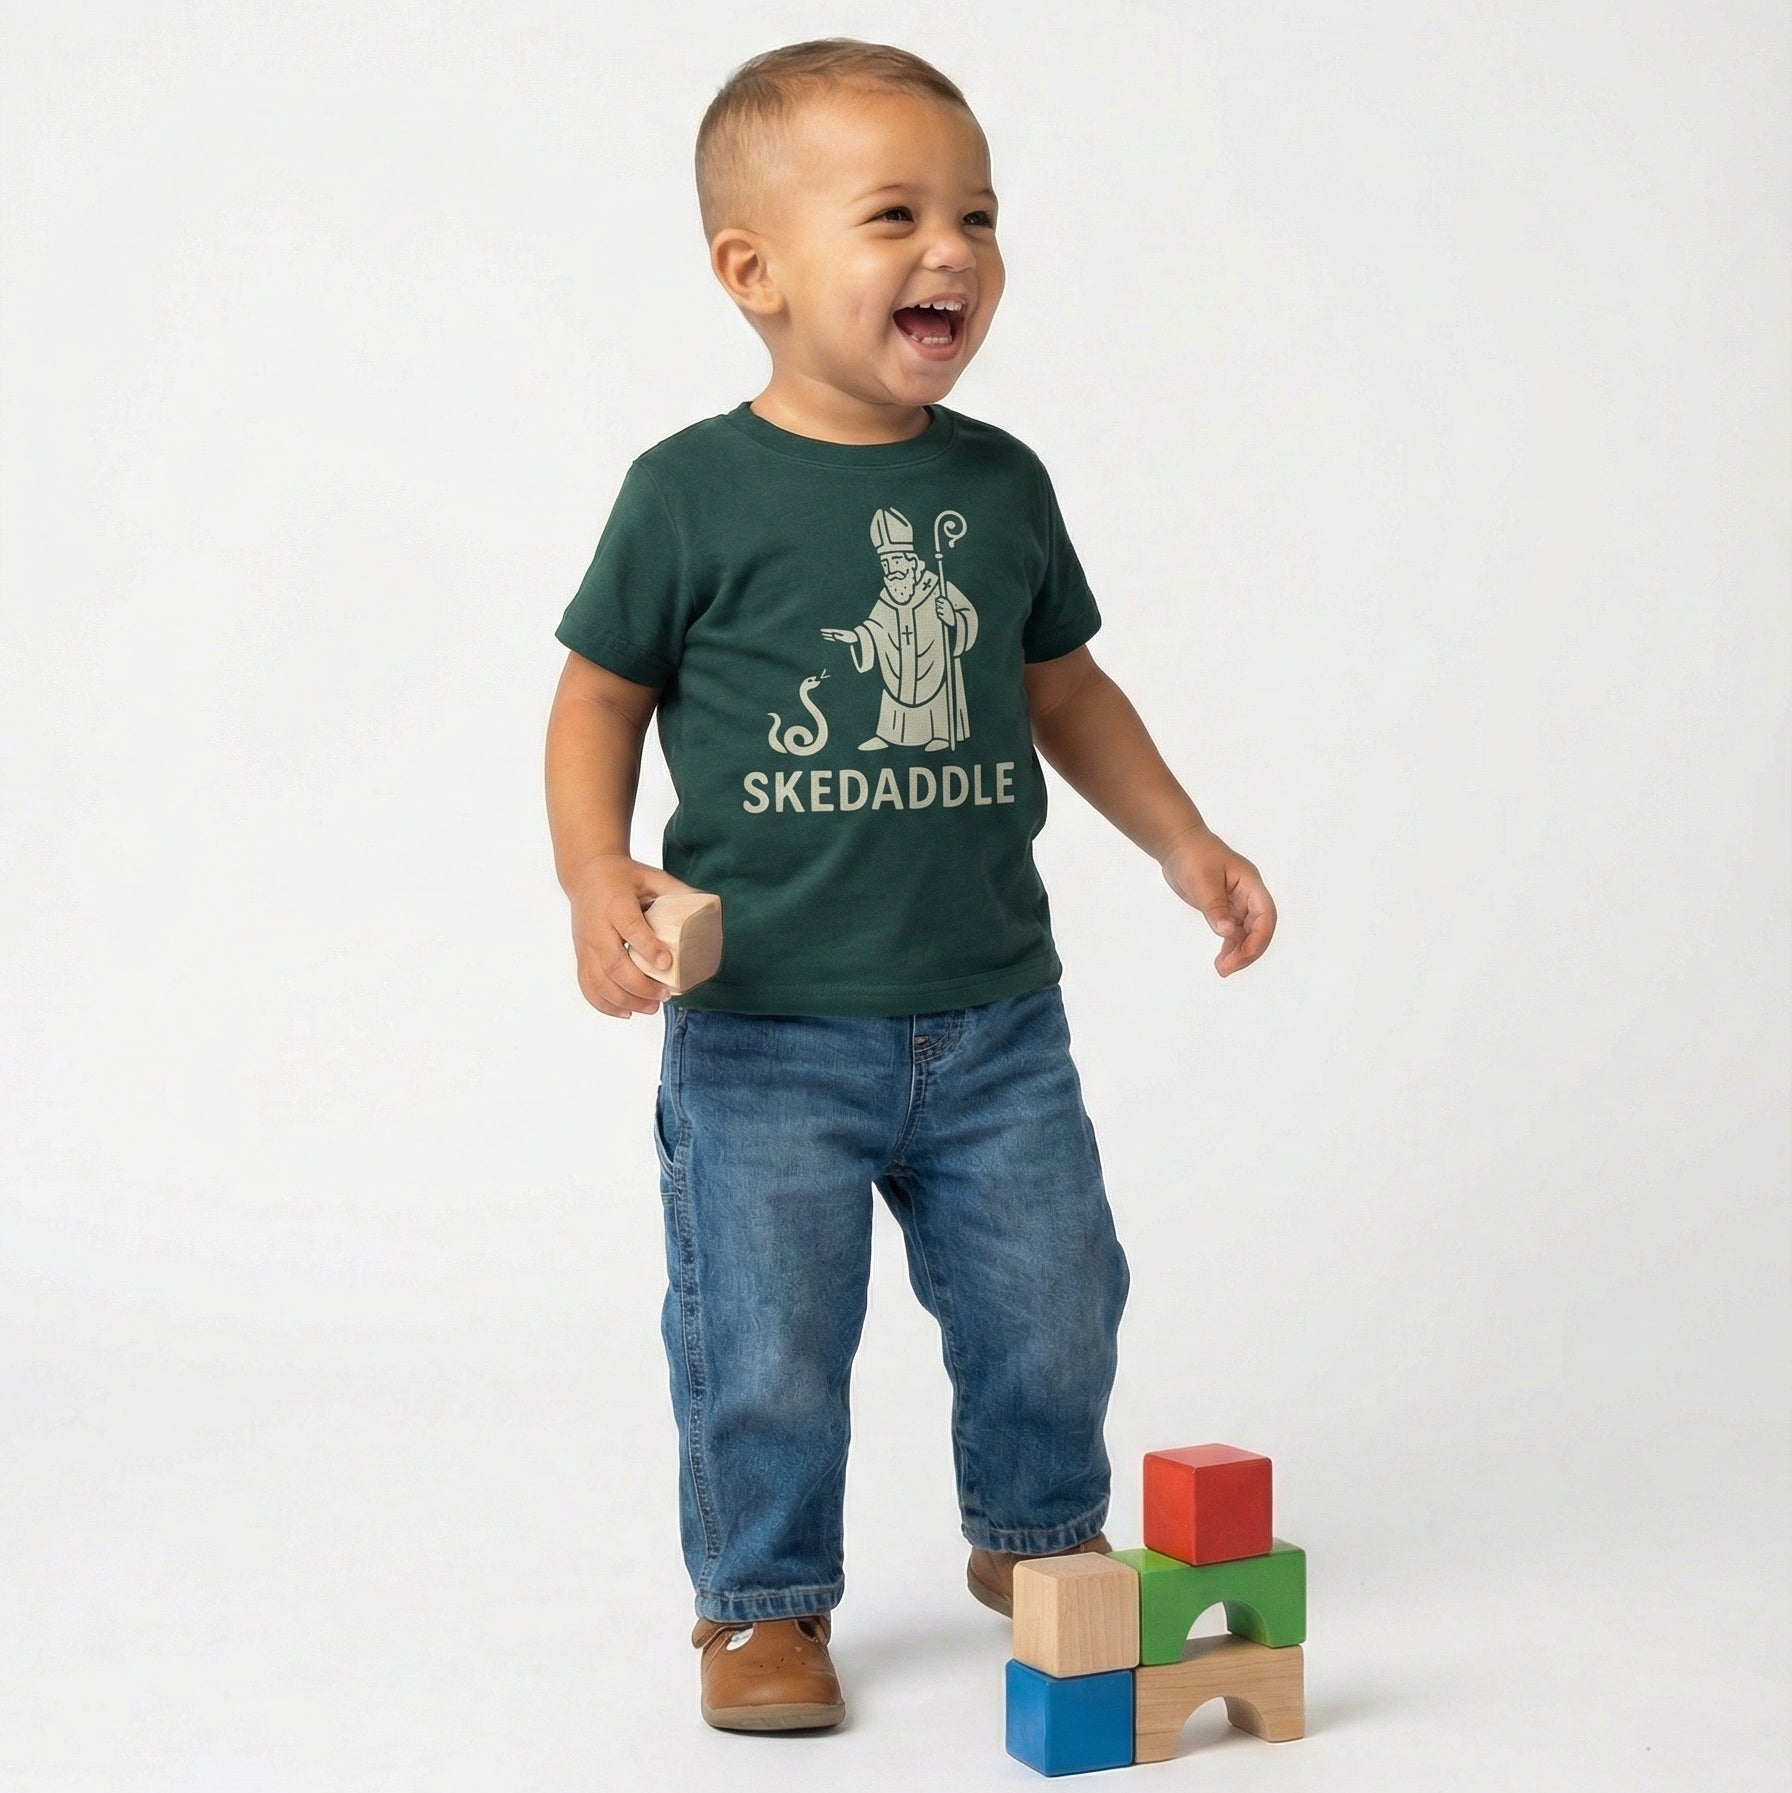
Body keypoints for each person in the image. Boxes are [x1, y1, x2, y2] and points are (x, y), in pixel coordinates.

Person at [542, 37, 1277, 1736]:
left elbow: (1066, 688)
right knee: (765, 1341)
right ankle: (762, 1607)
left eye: (979, 216)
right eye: (896, 215)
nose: (953, 249)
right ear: (756, 273)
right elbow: (596, 692)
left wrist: (1184, 840)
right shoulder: (691, 491)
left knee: (1056, 1289)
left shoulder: (1001, 484)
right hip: (768, 1029)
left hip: (992, 1014)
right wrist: (596, 869)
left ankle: (1034, 1532)